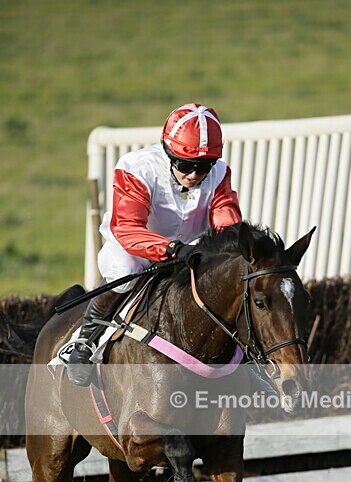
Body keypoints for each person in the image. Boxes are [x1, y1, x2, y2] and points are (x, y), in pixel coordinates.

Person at [67, 103, 242, 386]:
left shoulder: (220, 173)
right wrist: (171, 249)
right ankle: (87, 339)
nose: (195, 176)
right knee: (124, 270)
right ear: (168, 152)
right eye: (186, 165)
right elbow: (129, 228)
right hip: (134, 248)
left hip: (190, 251)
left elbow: (226, 219)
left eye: (203, 168)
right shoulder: (137, 168)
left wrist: (227, 246)